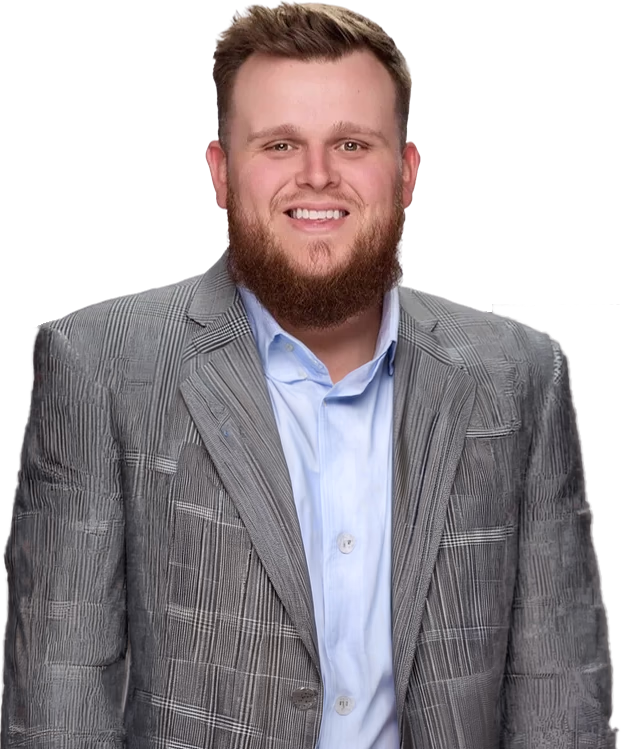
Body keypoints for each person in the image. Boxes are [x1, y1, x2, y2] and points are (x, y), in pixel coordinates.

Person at [1, 3, 618, 747]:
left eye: (352, 144)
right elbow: (59, 702)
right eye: (280, 144)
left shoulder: (521, 376)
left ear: (407, 171)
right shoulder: (98, 366)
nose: (317, 176)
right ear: (221, 172)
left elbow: (561, 701)